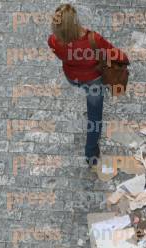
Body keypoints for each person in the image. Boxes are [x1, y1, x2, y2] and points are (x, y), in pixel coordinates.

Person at [48, 4, 128, 165]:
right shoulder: (93, 39)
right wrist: (125, 60)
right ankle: (91, 153)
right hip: (93, 81)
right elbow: (115, 54)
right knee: (94, 118)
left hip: (72, 77)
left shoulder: (54, 41)